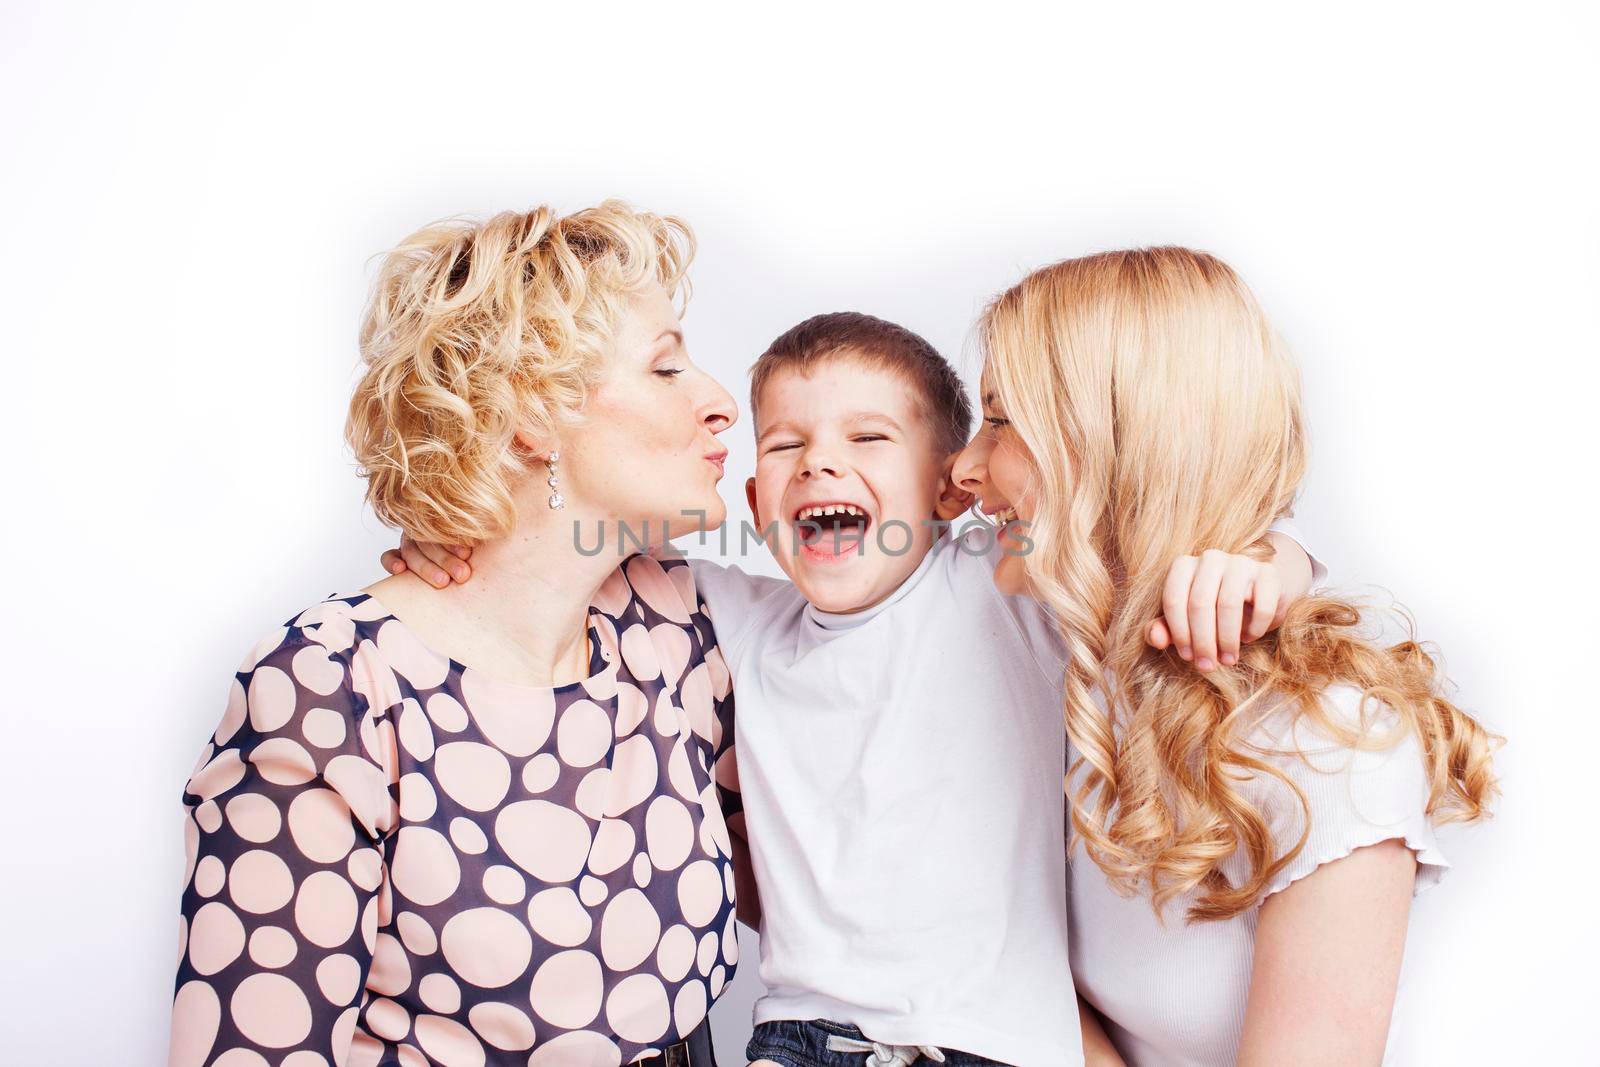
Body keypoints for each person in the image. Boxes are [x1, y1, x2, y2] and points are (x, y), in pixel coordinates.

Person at [389, 311, 1321, 1067]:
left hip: (1011, 1046)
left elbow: (1134, 546)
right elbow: (558, 554)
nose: (820, 464)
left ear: (953, 491)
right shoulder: (730, 617)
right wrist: (454, 534)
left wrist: (1278, 561)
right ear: (756, 508)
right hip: (805, 1042)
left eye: (868, 437)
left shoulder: (1004, 590)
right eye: (786, 445)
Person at [170, 201, 745, 1067]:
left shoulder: (668, 623)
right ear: (534, 416)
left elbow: (824, 874)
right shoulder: (332, 682)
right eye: (667, 369)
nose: (721, 403)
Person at [952, 247, 1499, 1066]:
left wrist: (1271, 552)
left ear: (1118, 440)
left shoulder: (1329, 742)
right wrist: (1281, 551)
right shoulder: (1050, 645)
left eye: (999, 420)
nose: (962, 468)